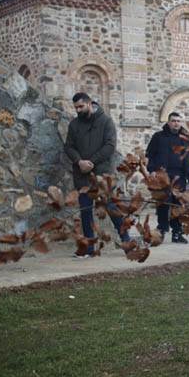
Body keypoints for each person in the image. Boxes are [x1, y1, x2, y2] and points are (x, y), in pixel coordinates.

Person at [63, 92, 130, 256]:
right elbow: (69, 147)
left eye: (81, 106)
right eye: (76, 107)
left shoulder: (106, 121)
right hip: (82, 174)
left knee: (110, 207)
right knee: (85, 210)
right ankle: (88, 248)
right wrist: (79, 161)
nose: (78, 110)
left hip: (101, 174)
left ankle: (127, 241)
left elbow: (110, 146)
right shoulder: (74, 125)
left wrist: (91, 162)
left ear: (89, 103)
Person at [146, 111, 189, 243]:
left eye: (178, 121)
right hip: (163, 176)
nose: (176, 123)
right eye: (173, 121)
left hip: (180, 176)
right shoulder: (158, 137)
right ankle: (162, 230)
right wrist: (151, 170)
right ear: (168, 122)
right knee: (163, 204)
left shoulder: (186, 139)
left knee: (178, 205)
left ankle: (177, 233)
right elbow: (150, 155)